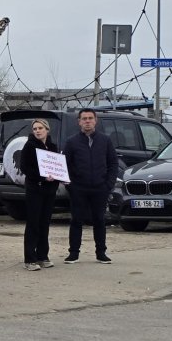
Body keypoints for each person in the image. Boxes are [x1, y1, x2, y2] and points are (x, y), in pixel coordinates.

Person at [63, 109, 117, 264]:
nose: (87, 121)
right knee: (76, 220)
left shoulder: (105, 140)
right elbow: (65, 164)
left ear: (95, 120)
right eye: (84, 118)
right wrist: (71, 185)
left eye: (90, 118)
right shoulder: (71, 142)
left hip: (100, 187)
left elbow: (113, 164)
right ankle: (73, 253)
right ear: (79, 122)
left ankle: (101, 253)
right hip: (78, 188)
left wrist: (108, 184)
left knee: (99, 220)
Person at [19, 119, 60, 270]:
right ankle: (30, 259)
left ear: (47, 130)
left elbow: (58, 166)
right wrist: (42, 177)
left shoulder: (53, 147)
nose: (37, 131)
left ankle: (43, 256)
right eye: (35, 128)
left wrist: (60, 177)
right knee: (33, 223)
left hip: (49, 191)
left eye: (40, 128)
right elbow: (25, 167)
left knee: (44, 223)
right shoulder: (29, 146)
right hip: (35, 189)